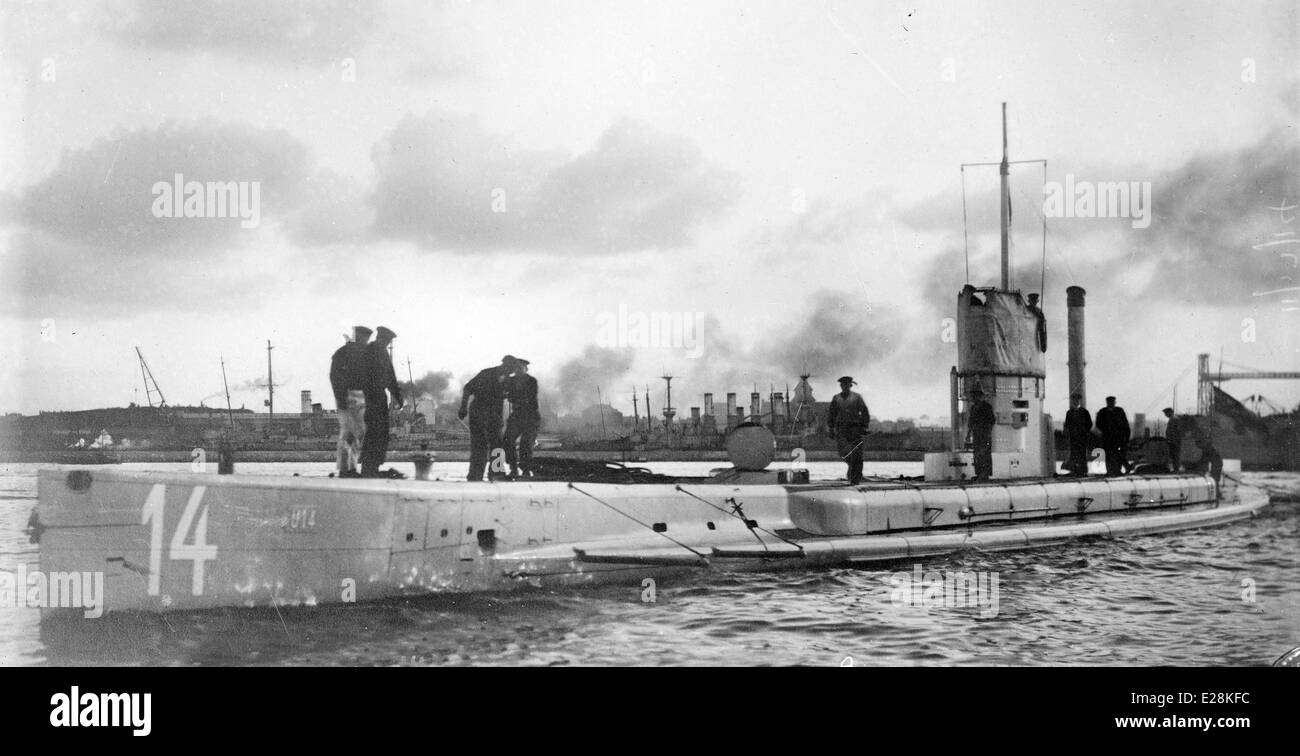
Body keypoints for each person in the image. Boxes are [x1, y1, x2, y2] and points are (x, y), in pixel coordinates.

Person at [460, 355, 517, 481]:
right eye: (511, 369)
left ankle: (496, 474)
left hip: (495, 415)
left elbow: (512, 396)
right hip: (479, 412)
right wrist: (463, 407)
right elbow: (468, 388)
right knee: (480, 445)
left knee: (498, 444)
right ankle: (475, 476)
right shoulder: (486, 373)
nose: (512, 372)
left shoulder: (508, 380)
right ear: (505, 365)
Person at [360, 326, 404, 478]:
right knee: (377, 432)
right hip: (374, 397)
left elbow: (389, 377)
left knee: (377, 432)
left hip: (373, 396)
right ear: (384, 339)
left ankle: (371, 466)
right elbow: (390, 377)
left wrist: (397, 395)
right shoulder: (377, 351)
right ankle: (370, 467)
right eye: (388, 340)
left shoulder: (373, 351)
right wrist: (397, 396)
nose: (388, 343)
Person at [329, 325, 372, 477]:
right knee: (350, 433)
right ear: (360, 337)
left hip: (355, 396)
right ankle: (346, 468)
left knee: (356, 433)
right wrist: (341, 397)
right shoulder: (357, 354)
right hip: (351, 395)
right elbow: (335, 377)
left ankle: (348, 467)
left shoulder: (343, 353)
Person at [827, 376, 870, 485]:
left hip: (855, 429)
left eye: (846, 385)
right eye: (842, 385)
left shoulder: (857, 398)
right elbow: (831, 415)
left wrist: (864, 426)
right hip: (842, 429)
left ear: (850, 386)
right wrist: (831, 429)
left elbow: (865, 412)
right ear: (840, 386)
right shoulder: (836, 398)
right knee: (843, 453)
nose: (844, 387)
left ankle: (855, 478)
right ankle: (852, 470)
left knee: (857, 454)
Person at [503, 358, 540, 478]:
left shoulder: (531, 381)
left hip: (531, 416)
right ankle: (513, 468)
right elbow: (504, 390)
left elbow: (529, 396)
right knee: (508, 440)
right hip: (517, 415)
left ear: (526, 369)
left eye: (521, 368)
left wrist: (512, 396)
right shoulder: (511, 380)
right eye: (516, 368)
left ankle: (525, 470)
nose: (518, 370)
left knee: (526, 444)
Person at [1095, 395, 1130, 477]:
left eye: (1113, 402)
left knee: (1119, 455)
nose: (1111, 403)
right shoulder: (1102, 412)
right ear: (1107, 403)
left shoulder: (1119, 411)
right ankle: (1110, 471)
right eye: (1110, 402)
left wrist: (1125, 437)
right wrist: (1106, 430)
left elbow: (1125, 424)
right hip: (1108, 438)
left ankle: (1118, 470)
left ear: (1115, 402)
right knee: (1108, 455)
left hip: (1119, 438)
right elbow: (1098, 424)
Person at [966, 385, 996, 481]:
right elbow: (971, 423)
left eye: (974, 395)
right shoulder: (973, 408)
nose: (973, 398)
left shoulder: (986, 407)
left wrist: (988, 433)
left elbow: (991, 421)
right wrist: (968, 435)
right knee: (977, 454)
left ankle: (984, 474)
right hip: (977, 433)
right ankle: (979, 473)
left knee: (984, 453)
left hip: (984, 433)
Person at [1064, 393, 1093, 476]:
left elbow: (1089, 424)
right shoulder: (1069, 413)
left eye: (1077, 400)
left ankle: (1083, 471)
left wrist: (1083, 431)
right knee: (1074, 454)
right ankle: (1074, 470)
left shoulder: (1084, 412)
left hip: (1082, 437)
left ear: (1080, 401)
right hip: (1073, 437)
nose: (1075, 401)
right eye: (1074, 400)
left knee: (1082, 454)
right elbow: (1067, 424)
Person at [1162, 407, 1187, 472]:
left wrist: (1173, 440)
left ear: (1170, 412)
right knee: (1174, 455)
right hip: (1173, 440)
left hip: (1174, 441)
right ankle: (1176, 468)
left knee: (1175, 455)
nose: (1165, 415)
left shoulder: (1173, 419)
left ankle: (1176, 469)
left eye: (1166, 413)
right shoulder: (1173, 419)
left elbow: (1174, 431)